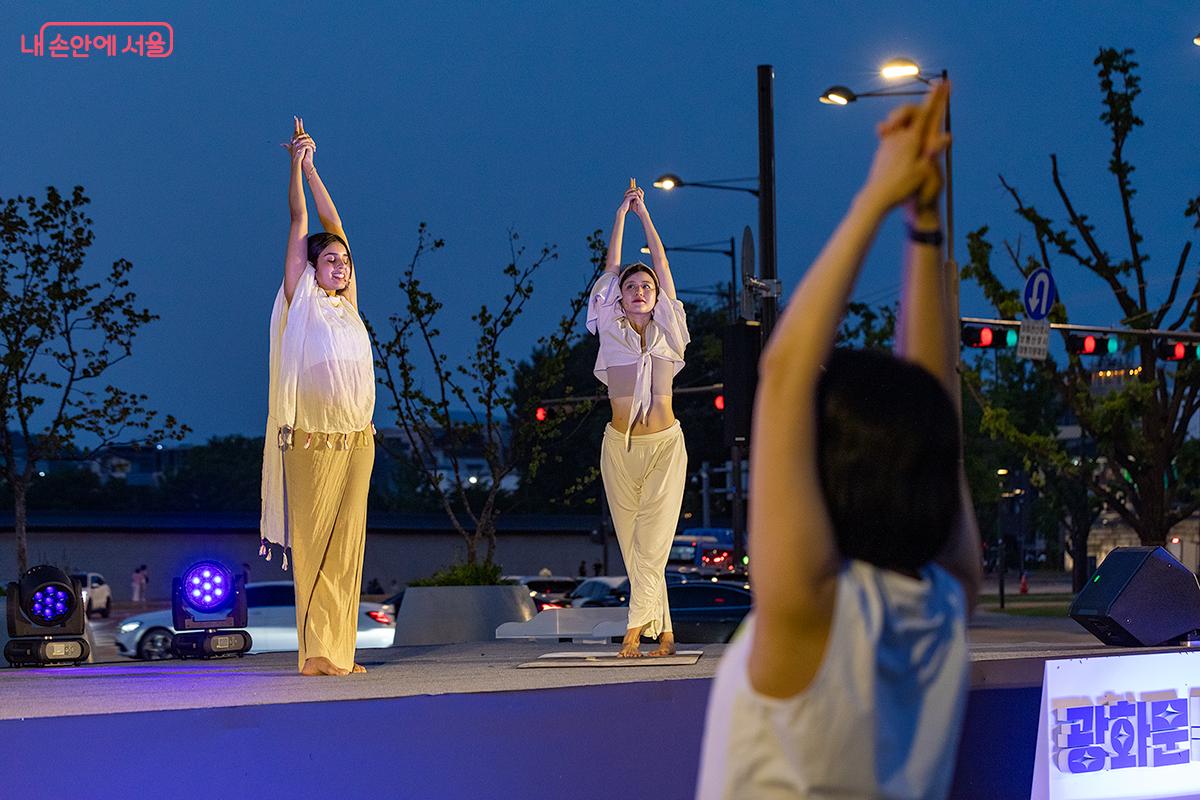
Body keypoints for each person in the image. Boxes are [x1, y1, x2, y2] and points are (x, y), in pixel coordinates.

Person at [696, 82, 982, 798]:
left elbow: (788, 370)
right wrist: (923, 221)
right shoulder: (944, 607)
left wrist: (878, 198)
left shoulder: (809, 613)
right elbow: (931, 399)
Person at [259, 117, 376, 677]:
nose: (340, 265)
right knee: (314, 544)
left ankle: (342, 652)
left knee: (348, 548)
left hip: (359, 440)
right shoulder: (298, 298)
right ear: (309, 267)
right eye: (330, 260)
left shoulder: (346, 306)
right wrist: (298, 168)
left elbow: (338, 224)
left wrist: (320, 169)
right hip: (311, 441)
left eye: (344, 261)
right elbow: (306, 219)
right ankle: (315, 654)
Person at [587, 182, 690, 658]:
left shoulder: (670, 331)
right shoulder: (610, 330)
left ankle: (633, 632)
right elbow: (611, 267)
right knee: (635, 545)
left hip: (665, 446)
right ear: (620, 297)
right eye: (631, 287)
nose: (639, 290)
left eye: (645, 286)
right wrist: (620, 215)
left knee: (653, 541)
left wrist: (646, 214)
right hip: (619, 447)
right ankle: (665, 634)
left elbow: (663, 266)